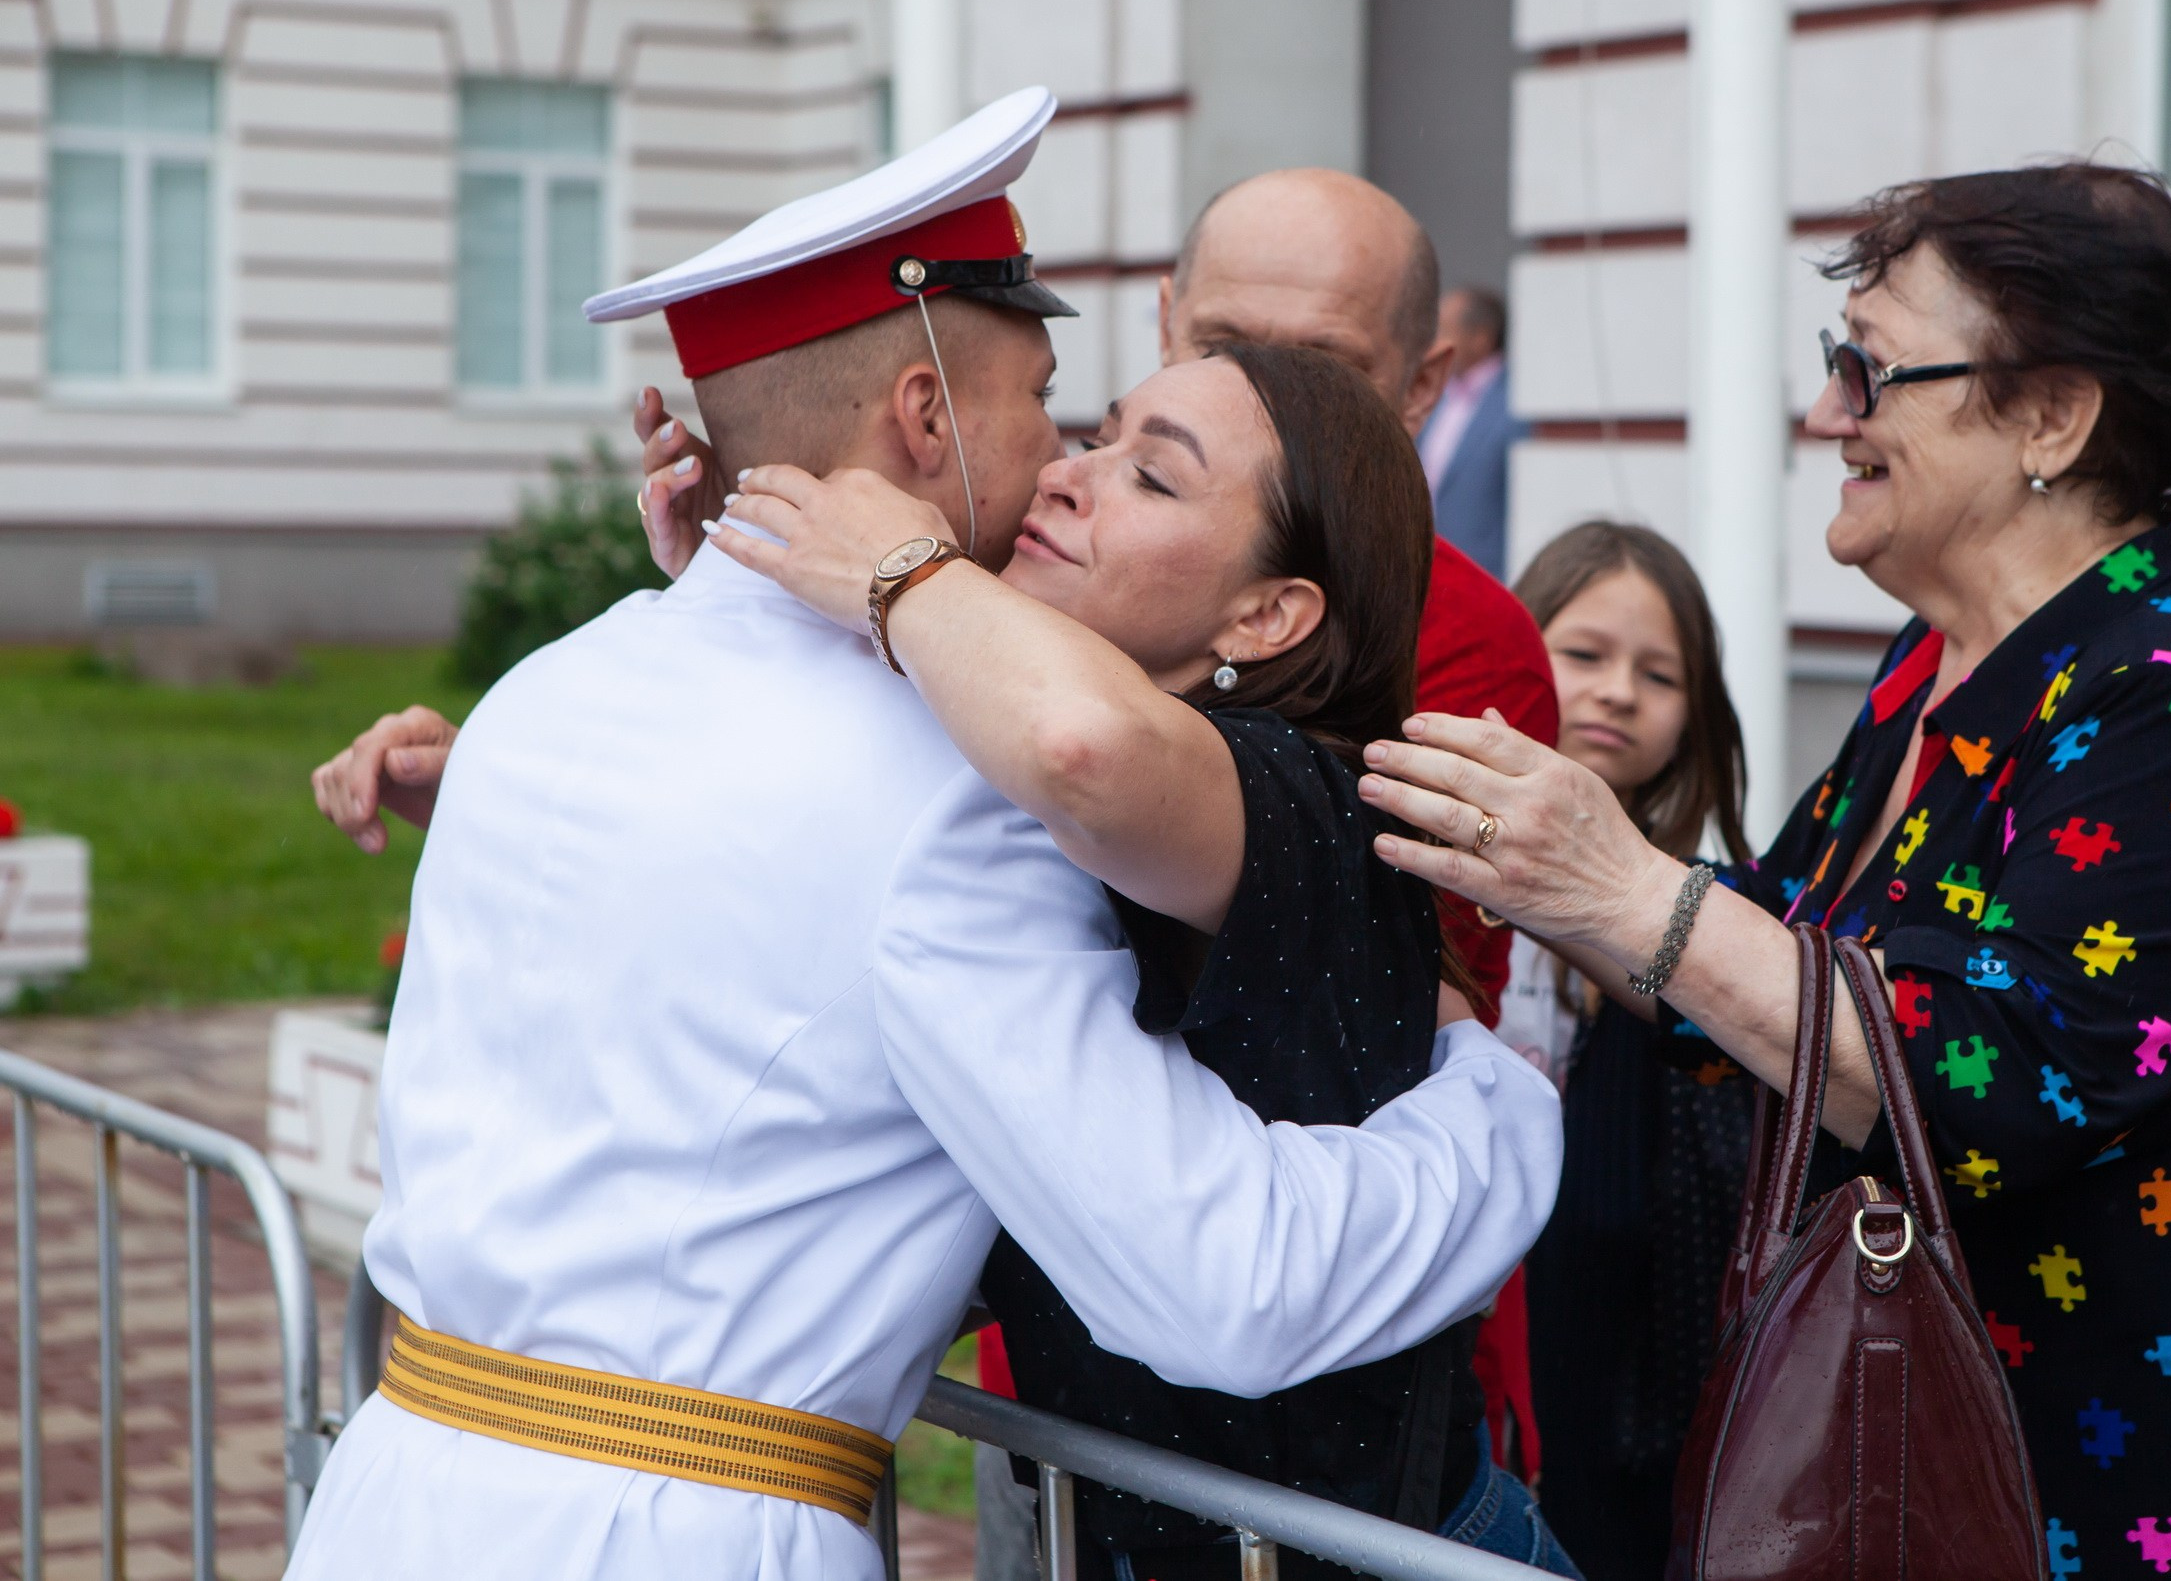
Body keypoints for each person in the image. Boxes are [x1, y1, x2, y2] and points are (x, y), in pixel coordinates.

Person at [287, 89, 1561, 1581]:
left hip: (395, 1493)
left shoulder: (541, 692)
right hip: (685, 1533)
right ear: (927, 419)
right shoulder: (956, 787)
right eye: (1046, 403)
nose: (1061, 457)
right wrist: (1505, 1107)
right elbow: (1222, 1277)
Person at [1354, 164, 2171, 1575]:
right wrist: (1493, 857)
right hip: (2005, 1468)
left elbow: (1983, 1079)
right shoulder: (1947, 659)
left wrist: (1620, 887)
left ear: (2053, 416)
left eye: (1870, 367)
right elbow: (1776, 957)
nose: (1832, 412)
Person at [709, 335, 1576, 1577]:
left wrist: (900, 571)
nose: (1070, 474)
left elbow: (1083, 744)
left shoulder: (1306, 795)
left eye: (1152, 477)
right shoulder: (1083, 765)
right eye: (1098, 431)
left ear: (1267, 614)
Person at [1488, 522, 1751, 1581]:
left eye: (1659, 672)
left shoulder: (1712, 924)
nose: (1617, 693)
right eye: (1583, 652)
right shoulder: (1424, 872)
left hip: (1625, 1395)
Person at [1416, 288, 1523, 580]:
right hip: (1428, 574)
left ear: (1481, 338)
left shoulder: (1517, 402)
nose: (1432, 342)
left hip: (1486, 578)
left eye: (1444, 329)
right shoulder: (1438, 394)